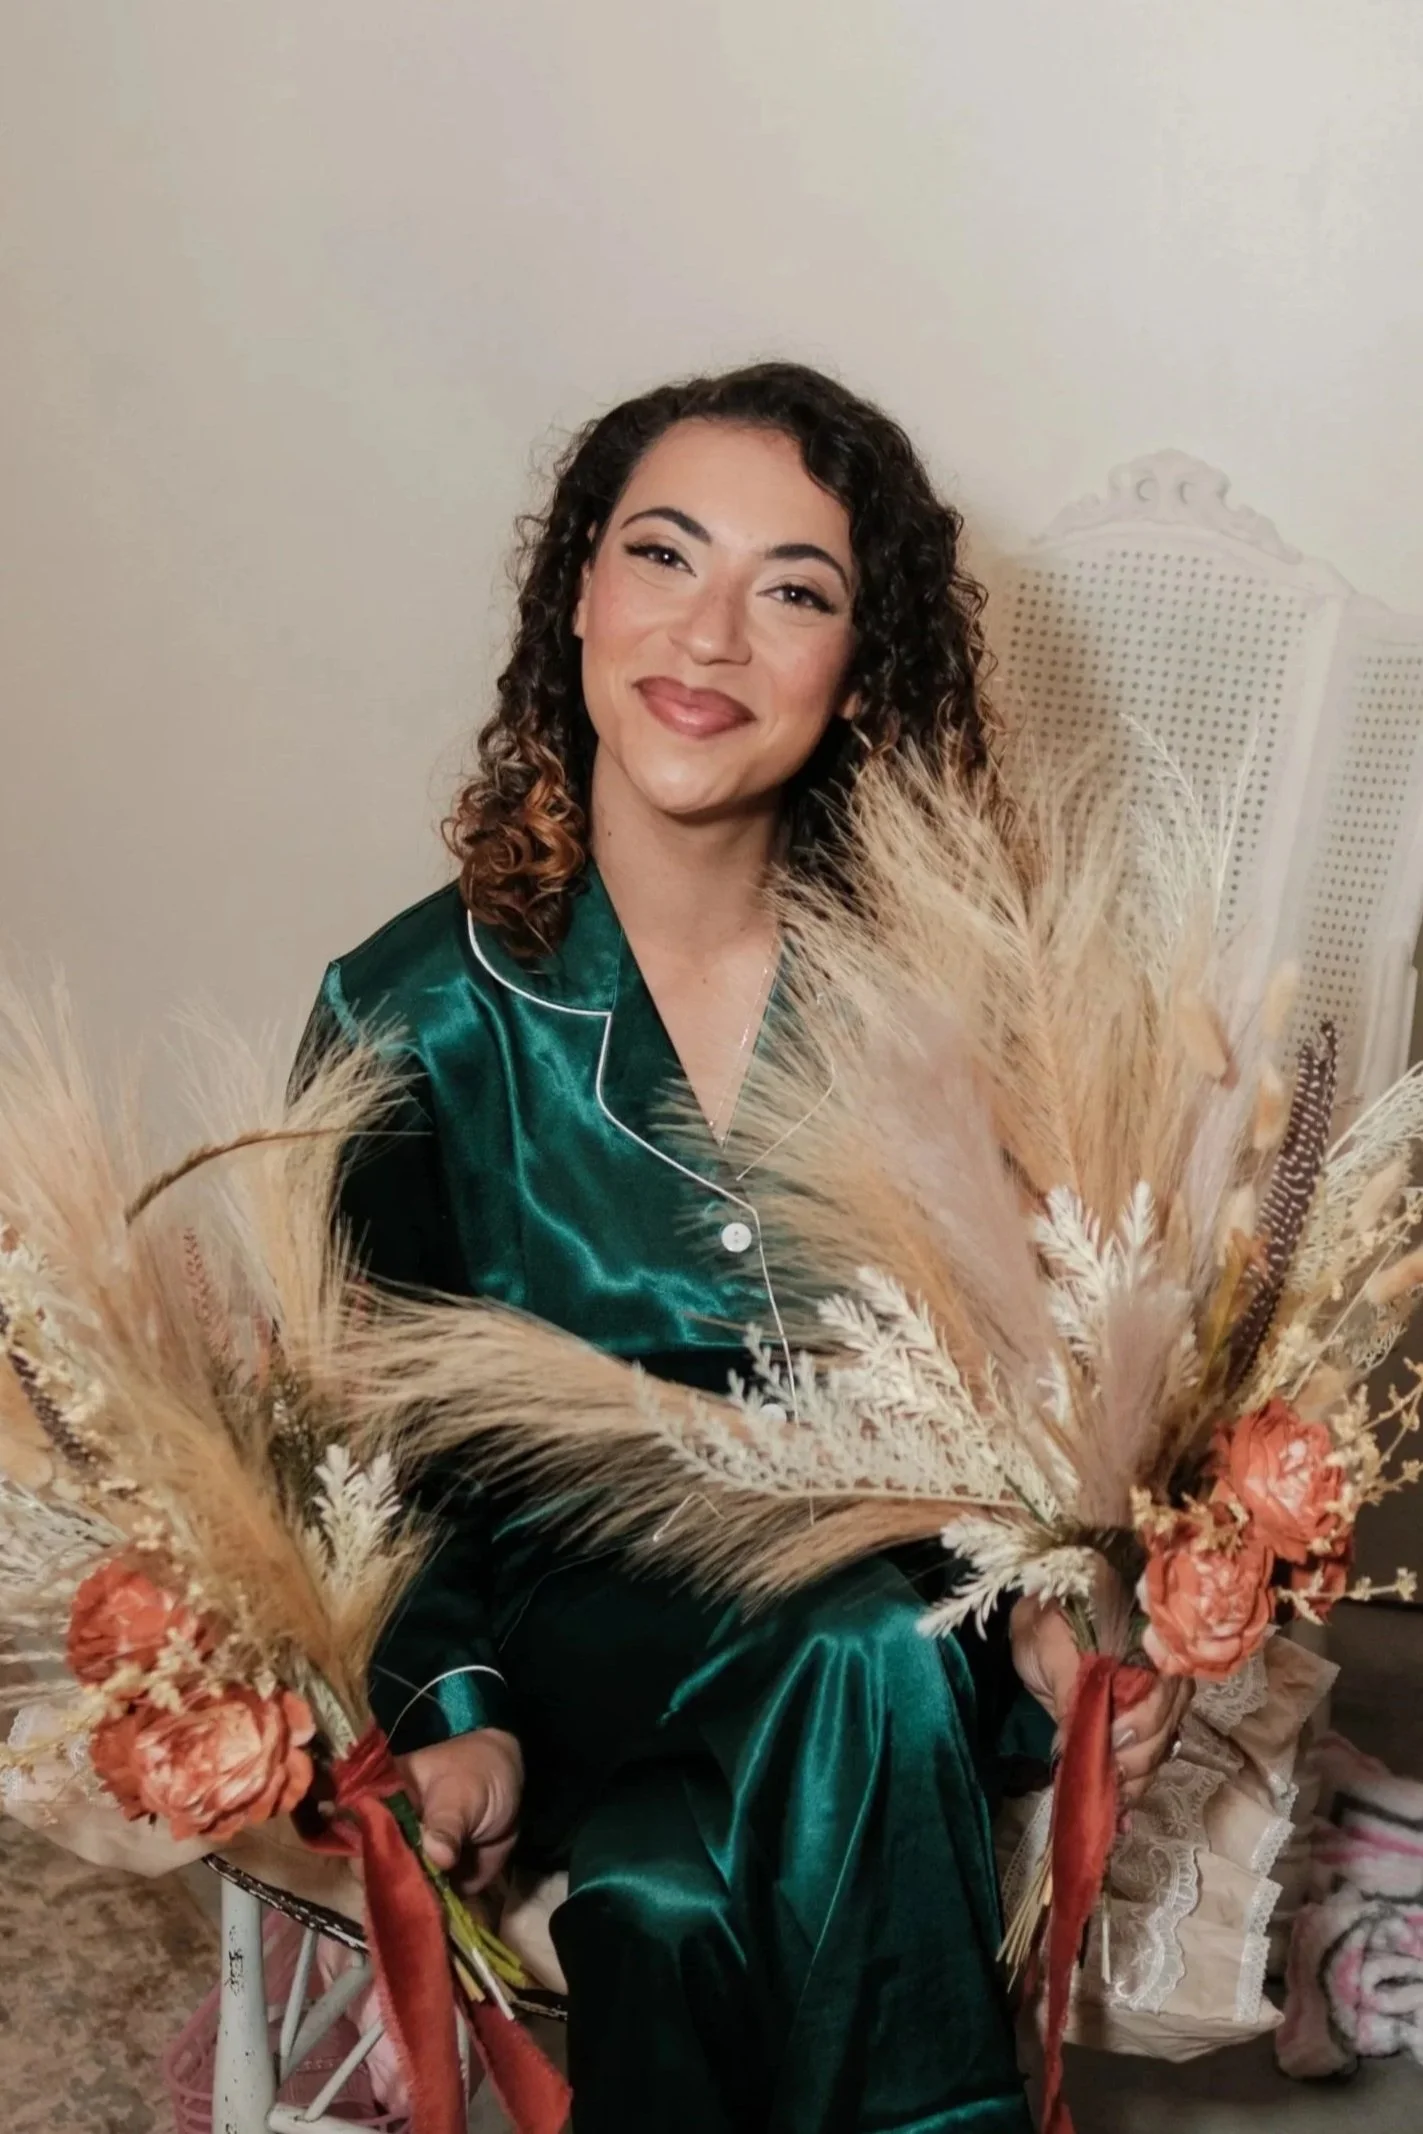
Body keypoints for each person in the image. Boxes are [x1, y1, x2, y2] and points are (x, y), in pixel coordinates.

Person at [298, 362, 1188, 2132]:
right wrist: (460, 1711)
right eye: (662, 555)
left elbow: (1036, 1382)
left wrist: (1048, 1607)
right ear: (575, 594)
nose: (708, 636)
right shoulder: (408, 1010)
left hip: (895, 1592)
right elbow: (375, 1447)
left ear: (855, 672)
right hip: (581, 1638)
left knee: (676, 1878)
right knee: (813, 1703)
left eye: (793, 590)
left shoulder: (950, 995)